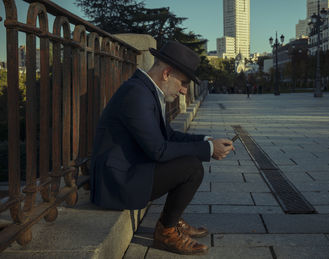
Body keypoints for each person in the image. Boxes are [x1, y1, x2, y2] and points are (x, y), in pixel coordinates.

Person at [90, 41, 234, 255]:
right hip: (117, 182)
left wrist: (207, 139)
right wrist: (208, 149)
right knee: (192, 167)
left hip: (129, 169)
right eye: (183, 83)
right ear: (167, 73)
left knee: (191, 162)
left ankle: (172, 220)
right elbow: (158, 150)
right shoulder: (137, 93)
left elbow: (169, 136)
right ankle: (166, 232)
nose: (185, 91)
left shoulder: (145, 89)